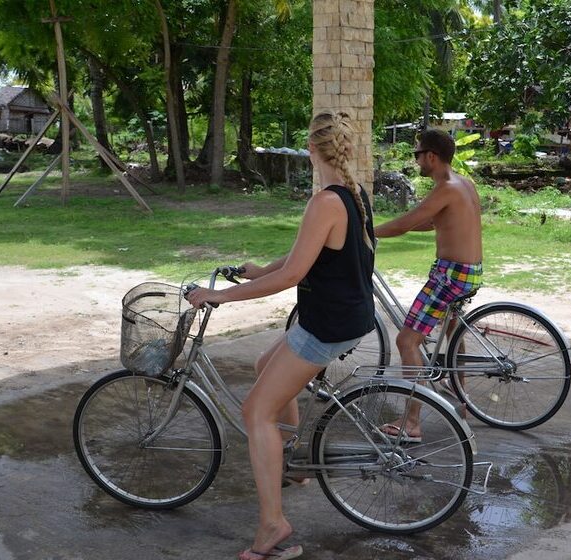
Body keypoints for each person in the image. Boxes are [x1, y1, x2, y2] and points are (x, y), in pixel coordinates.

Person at [187, 111, 375, 560]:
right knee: (262, 366)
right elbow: (303, 258)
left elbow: (292, 275)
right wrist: (259, 270)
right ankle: (288, 461)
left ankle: (273, 526)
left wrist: (219, 296)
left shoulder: (325, 201)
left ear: (312, 149)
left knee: (255, 412)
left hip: (324, 326)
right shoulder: (353, 194)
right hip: (341, 317)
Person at [373, 128, 483, 442]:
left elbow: (407, 221)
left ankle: (411, 424)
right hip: (468, 271)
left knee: (407, 342)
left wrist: (366, 231)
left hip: (451, 274)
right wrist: (390, 228)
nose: (416, 159)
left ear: (431, 157)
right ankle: (460, 402)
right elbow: (433, 221)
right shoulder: (463, 183)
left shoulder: (445, 187)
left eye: (416, 154)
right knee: (452, 331)